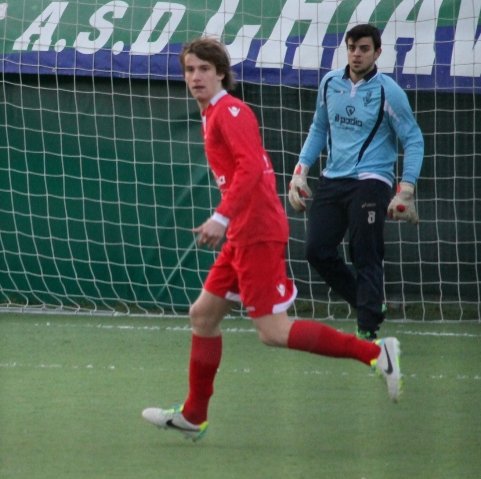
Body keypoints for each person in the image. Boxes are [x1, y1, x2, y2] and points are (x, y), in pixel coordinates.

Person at [142, 37, 402, 442]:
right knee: (203, 316)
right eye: (190, 70)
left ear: (221, 73)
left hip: (256, 231)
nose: (196, 77)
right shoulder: (213, 114)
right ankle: (193, 415)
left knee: (273, 331)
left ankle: (375, 352)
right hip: (243, 232)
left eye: (204, 69)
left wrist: (220, 217)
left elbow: (250, 169)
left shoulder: (230, 111)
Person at [288, 24, 424, 340]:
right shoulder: (330, 83)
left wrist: (406, 188)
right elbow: (319, 127)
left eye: (364, 49)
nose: (356, 54)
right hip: (332, 179)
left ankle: (368, 328)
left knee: (364, 251)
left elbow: (413, 138)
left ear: (377, 53)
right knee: (317, 250)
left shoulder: (388, 91)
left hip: (371, 180)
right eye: (351, 48)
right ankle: (369, 303)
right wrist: (300, 171)